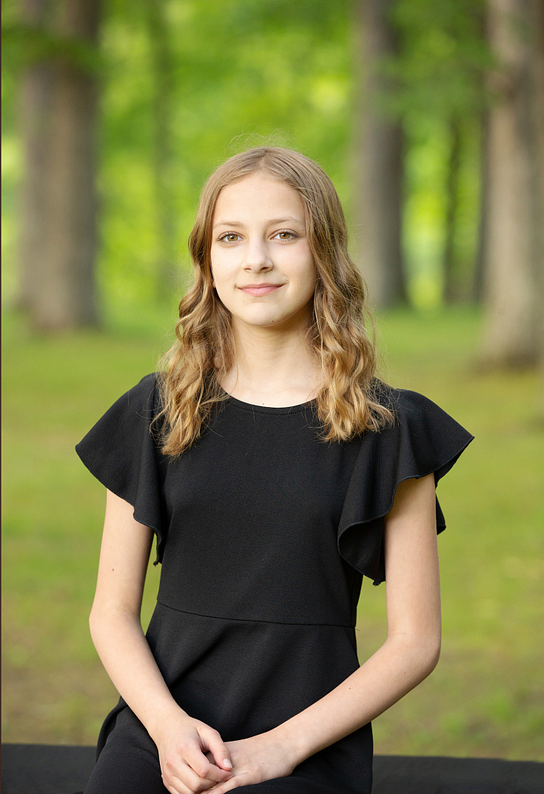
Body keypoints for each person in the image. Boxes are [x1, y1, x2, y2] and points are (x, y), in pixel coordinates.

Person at [76, 146, 473, 794]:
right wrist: (168, 729)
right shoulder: (158, 410)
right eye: (231, 237)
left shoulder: (389, 431)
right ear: (207, 259)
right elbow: (110, 614)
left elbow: (414, 643)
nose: (255, 259)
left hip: (306, 739)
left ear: (325, 253)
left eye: (284, 235)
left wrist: (278, 750)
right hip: (164, 727)